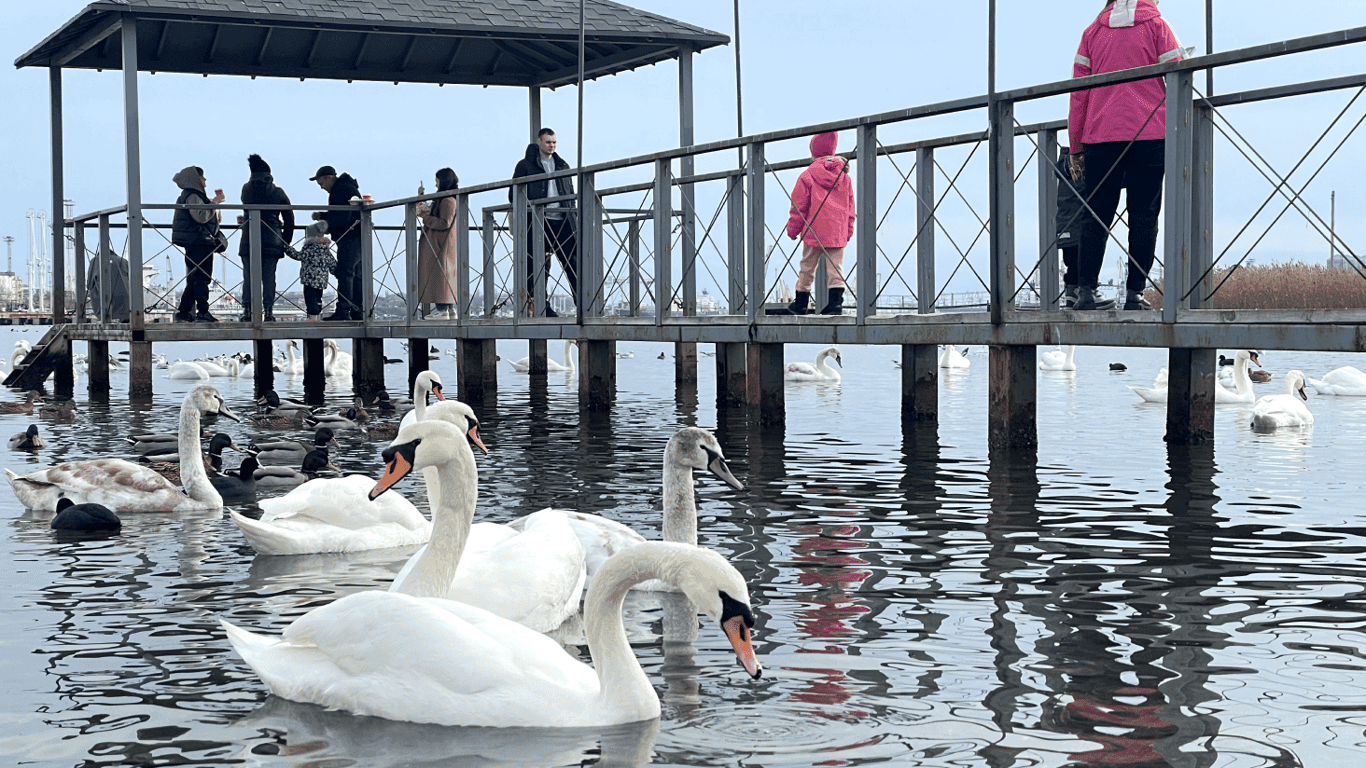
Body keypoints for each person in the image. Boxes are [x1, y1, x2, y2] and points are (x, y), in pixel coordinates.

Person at [1069, 0, 1186, 310]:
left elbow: (1079, 94)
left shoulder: (1092, 32)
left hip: (1100, 135)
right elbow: (1179, 75)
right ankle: (1134, 294)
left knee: (1095, 215)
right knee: (1144, 215)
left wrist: (1075, 146)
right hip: (1149, 132)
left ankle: (1085, 292)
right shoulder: (1157, 25)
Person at [779, 132, 855, 316]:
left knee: (807, 267)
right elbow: (850, 206)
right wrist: (848, 230)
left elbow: (799, 206)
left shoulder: (807, 175)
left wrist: (793, 230)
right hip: (837, 229)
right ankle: (835, 305)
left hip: (813, 229)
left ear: (814, 152)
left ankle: (801, 304)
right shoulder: (844, 177)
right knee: (836, 268)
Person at [510, 128, 576, 317]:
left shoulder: (563, 165)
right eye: (548, 142)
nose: (552, 146)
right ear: (539, 142)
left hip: (563, 220)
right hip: (538, 220)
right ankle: (540, 305)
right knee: (538, 264)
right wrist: (527, 213)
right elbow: (513, 194)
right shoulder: (525, 166)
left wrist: (572, 213)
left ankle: (585, 306)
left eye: (554, 142)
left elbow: (570, 192)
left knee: (572, 262)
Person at [237, 154, 295, 321]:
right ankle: (268, 312)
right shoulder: (277, 192)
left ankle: (247, 311)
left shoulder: (246, 189)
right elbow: (289, 218)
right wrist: (285, 240)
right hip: (272, 239)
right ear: (269, 174)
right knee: (269, 277)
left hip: (249, 238)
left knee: (248, 277)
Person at [1055, 149, 1114, 310]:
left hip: (1066, 224)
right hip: (1080, 223)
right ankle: (1083, 291)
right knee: (1086, 248)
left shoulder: (1067, 168)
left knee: (1071, 258)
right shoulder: (1083, 166)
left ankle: (1072, 291)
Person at [171, 166, 224, 322]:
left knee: (195, 277)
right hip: (199, 240)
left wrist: (215, 206)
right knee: (202, 277)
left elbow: (208, 216)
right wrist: (214, 202)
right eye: (203, 178)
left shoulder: (192, 195)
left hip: (196, 240)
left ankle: (184, 311)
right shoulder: (193, 196)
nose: (205, 181)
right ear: (196, 179)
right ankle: (202, 311)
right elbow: (200, 217)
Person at [310, 165, 364, 321]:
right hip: (357, 234)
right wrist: (323, 215)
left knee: (345, 273)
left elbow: (342, 216)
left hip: (349, 236)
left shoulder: (340, 190)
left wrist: (328, 223)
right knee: (357, 274)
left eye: (322, 184)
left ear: (329, 178)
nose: (322, 188)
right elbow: (341, 212)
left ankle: (344, 311)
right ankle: (357, 310)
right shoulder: (347, 187)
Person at [417, 168, 459, 319]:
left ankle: (442, 310)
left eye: (437, 181)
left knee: (441, 275)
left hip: (440, 243)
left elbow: (444, 222)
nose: (436, 185)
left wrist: (426, 218)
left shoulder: (448, 200)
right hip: (441, 242)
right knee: (443, 275)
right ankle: (449, 309)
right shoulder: (447, 198)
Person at [296, 216, 335, 321]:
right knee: (318, 298)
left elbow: (299, 256)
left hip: (309, 279)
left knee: (310, 298)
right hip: (321, 281)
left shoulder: (309, 248)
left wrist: (287, 249)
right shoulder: (325, 249)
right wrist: (336, 271)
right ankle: (316, 315)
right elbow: (332, 263)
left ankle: (312, 317)